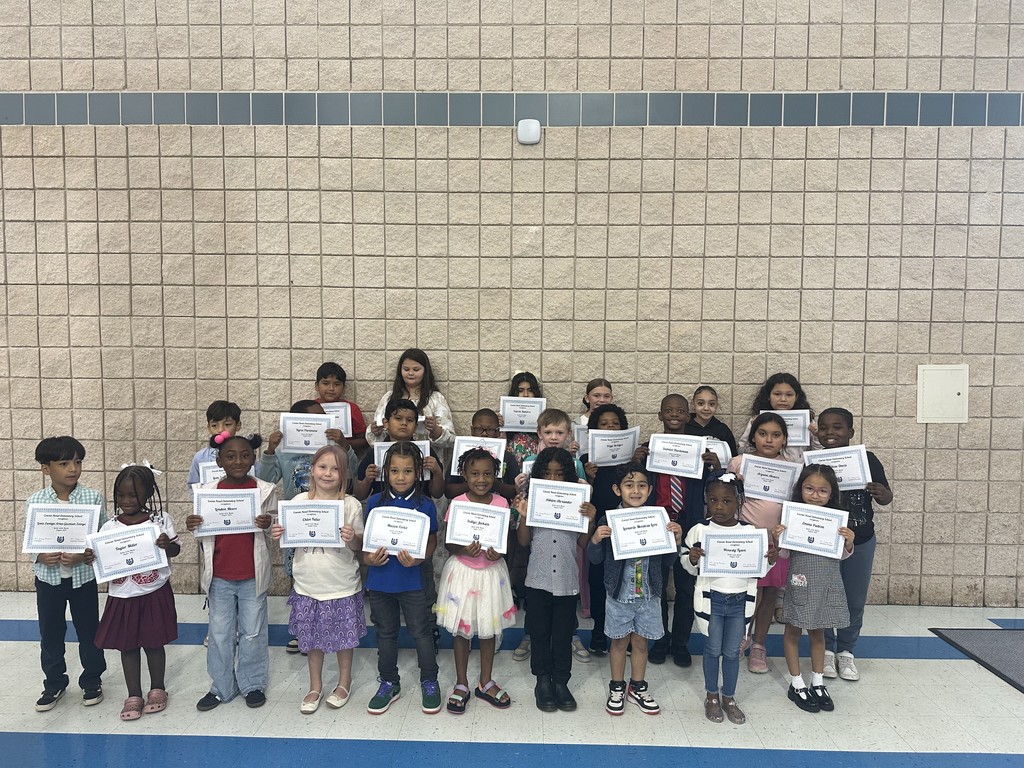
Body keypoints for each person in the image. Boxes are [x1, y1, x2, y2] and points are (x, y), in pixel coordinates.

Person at [270, 445, 366, 713]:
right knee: (312, 641)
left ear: (345, 474)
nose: (328, 473)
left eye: (336, 469)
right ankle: (315, 685)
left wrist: (352, 538)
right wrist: (277, 532)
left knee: (344, 640)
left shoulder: (350, 505)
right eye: (322, 467)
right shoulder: (298, 502)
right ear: (312, 470)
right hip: (307, 585)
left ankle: (344, 682)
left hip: (341, 584)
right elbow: (286, 535)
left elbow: (359, 546)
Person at [186, 433, 277, 711]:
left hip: (252, 575)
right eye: (231, 456)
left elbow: (276, 528)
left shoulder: (264, 490)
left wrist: (268, 523)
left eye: (245, 455)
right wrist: (193, 525)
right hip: (220, 577)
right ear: (219, 461)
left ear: (253, 459)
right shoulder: (207, 492)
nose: (238, 461)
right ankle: (221, 687)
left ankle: (252, 684)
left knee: (253, 632)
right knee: (219, 634)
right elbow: (202, 533)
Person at [259, 399, 358, 653]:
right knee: (298, 571)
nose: (322, 421)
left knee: (327, 567)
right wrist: (270, 451)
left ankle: (331, 628)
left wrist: (345, 445)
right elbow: (264, 480)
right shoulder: (284, 451)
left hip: (330, 523)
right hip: (298, 524)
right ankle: (302, 630)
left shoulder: (333, 451)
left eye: (324, 417)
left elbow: (352, 474)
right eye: (315, 417)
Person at [683, 471, 778, 725]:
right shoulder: (699, 530)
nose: (719, 506)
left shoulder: (750, 532)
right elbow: (686, 563)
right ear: (706, 499)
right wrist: (692, 558)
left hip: (739, 601)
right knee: (713, 649)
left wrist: (770, 559)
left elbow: (759, 569)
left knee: (733, 652)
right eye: (713, 500)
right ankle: (711, 695)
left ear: (739, 502)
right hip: (711, 600)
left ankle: (729, 697)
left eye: (726, 501)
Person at [588, 462, 682, 716]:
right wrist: (595, 539)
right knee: (618, 643)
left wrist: (676, 541)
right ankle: (617, 686)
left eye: (642, 485)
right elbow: (595, 559)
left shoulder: (658, 519)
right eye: (629, 485)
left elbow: (668, 561)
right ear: (617, 490)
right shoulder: (608, 520)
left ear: (650, 490)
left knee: (640, 643)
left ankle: (637, 687)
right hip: (619, 594)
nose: (636, 491)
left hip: (648, 594)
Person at [90, 464, 180, 720]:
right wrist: (91, 557)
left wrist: (166, 545)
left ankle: (158, 689)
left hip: (154, 591)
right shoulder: (109, 528)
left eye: (133, 495)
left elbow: (176, 550)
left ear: (148, 493)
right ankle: (133, 695)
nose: (126, 500)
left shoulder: (160, 521)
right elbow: (101, 559)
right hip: (122, 596)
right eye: (121, 495)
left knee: (154, 642)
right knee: (127, 646)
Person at [514, 447, 597, 713]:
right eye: (547, 473)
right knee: (539, 634)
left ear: (568, 476)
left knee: (562, 635)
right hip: (537, 580)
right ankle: (542, 682)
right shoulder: (532, 501)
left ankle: (561, 682)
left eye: (559, 474)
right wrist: (524, 515)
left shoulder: (576, 502)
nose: (553, 479)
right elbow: (523, 541)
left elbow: (582, 543)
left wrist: (590, 520)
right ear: (538, 475)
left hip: (566, 580)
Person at [435, 448, 517, 714]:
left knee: (488, 628)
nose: (481, 479)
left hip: (491, 574)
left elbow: (505, 541)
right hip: (463, 573)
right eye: (475, 474)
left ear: (495, 476)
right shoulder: (457, 503)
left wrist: (498, 552)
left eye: (487, 474)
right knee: (462, 629)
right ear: (464, 475)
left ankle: (485, 681)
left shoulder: (502, 503)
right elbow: (449, 543)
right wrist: (463, 549)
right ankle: (461, 683)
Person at [29, 436, 107, 712]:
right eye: (64, 463)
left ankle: (92, 680)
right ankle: (54, 683)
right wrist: (40, 555)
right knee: (50, 632)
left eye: (78, 462)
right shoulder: (36, 501)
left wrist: (84, 555)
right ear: (46, 468)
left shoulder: (92, 498)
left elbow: (101, 540)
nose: (73, 469)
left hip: (82, 579)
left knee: (89, 630)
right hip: (48, 580)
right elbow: (31, 540)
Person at [363, 442, 442, 715]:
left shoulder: (425, 505)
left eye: (407, 471)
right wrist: (369, 559)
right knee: (385, 633)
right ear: (386, 471)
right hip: (380, 580)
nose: (400, 477)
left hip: (412, 582)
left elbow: (432, 540)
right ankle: (389, 682)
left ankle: (429, 680)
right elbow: (367, 546)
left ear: (418, 472)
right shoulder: (374, 503)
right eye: (394, 470)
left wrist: (420, 559)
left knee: (421, 632)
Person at [816, 407, 892, 682]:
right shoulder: (814, 463)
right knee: (823, 596)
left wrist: (881, 493)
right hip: (824, 542)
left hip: (860, 541)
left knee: (854, 599)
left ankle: (846, 651)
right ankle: (826, 649)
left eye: (837, 427)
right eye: (823, 427)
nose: (830, 433)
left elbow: (886, 497)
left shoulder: (867, 460)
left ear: (850, 432)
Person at [773, 465, 855, 713]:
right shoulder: (792, 517)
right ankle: (797, 683)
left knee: (819, 632)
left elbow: (841, 555)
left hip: (825, 582)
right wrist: (778, 539)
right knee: (793, 630)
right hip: (800, 581)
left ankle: (817, 682)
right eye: (809, 489)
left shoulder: (836, 520)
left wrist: (848, 542)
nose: (815, 495)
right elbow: (784, 554)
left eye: (822, 491)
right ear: (800, 489)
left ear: (831, 493)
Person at [512, 408, 590, 664]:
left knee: (563, 617)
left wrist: (586, 500)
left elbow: (582, 535)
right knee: (539, 613)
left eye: (560, 432)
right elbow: (524, 540)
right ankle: (531, 639)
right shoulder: (532, 464)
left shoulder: (575, 465)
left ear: (568, 434)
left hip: (567, 550)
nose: (554, 436)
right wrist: (520, 492)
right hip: (540, 558)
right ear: (539, 433)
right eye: (549, 432)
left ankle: (570, 639)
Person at [635, 394, 707, 668]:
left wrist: (713, 465)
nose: (674, 415)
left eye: (680, 411)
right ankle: (660, 640)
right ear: (660, 415)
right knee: (658, 586)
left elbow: (712, 484)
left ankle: (680, 643)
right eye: (668, 410)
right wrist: (638, 461)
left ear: (688, 416)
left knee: (686, 587)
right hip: (658, 524)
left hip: (689, 525)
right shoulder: (649, 449)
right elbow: (636, 483)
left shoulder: (699, 450)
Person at [727, 412, 798, 673]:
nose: (769, 440)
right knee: (746, 593)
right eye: (763, 434)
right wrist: (736, 484)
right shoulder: (739, 463)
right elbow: (724, 499)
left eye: (776, 435)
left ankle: (759, 645)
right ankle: (741, 637)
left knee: (769, 594)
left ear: (784, 439)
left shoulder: (791, 469)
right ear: (753, 437)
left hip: (776, 543)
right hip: (746, 541)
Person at [354, 398, 445, 501]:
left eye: (409, 420)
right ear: (386, 423)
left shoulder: (426, 452)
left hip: (418, 507)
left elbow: (437, 494)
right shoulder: (374, 454)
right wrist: (367, 480)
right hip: (383, 507)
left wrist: (437, 472)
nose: (404, 423)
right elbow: (360, 495)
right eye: (398, 418)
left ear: (415, 426)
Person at [366, 348, 455, 453]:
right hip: (394, 457)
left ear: (425, 371)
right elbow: (376, 438)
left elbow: (451, 440)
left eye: (416, 370)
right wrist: (375, 431)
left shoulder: (435, 399)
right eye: (406, 369)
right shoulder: (389, 398)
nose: (411, 373)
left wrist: (434, 429)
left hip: (426, 457)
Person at [736, 373, 821, 460]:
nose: (783, 399)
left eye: (789, 395)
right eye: (777, 394)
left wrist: (817, 436)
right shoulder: (757, 420)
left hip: (798, 467)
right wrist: (753, 430)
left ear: (796, 397)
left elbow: (817, 454)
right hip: (765, 467)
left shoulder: (807, 421)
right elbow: (742, 451)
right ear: (768, 396)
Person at [444, 408, 520, 502]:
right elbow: (448, 491)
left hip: (498, 507)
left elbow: (515, 491)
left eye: (490, 430)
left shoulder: (508, 458)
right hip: (465, 507)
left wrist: (495, 484)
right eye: (478, 429)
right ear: (472, 430)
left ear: (497, 432)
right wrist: (474, 482)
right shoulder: (460, 456)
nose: (484, 434)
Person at [314, 361, 368, 452]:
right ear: (317, 386)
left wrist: (343, 442)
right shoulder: (309, 407)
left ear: (344, 388)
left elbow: (364, 440)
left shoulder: (352, 409)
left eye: (337, 384)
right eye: (325, 383)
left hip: (344, 456)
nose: (331, 388)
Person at [186, 400, 241, 489]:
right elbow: (193, 486)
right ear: (209, 428)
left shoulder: (246, 454)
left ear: (238, 425)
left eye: (227, 424)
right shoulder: (200, 457)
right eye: (214, 425)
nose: (220, 430)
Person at [684, 385, 738, 459]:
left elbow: (733, 458)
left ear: (716, 405)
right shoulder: (684, 426)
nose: (706, 408)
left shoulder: (723, 430)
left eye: (711, 404)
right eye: (700, 403)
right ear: (693, 404)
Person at [502, 371, 542, 463]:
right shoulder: (505, 414)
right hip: (511, 460)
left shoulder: (544, 415)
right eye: (520, 391)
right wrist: (499, 424)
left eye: (530, 390)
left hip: (534, 459)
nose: (525, 395)